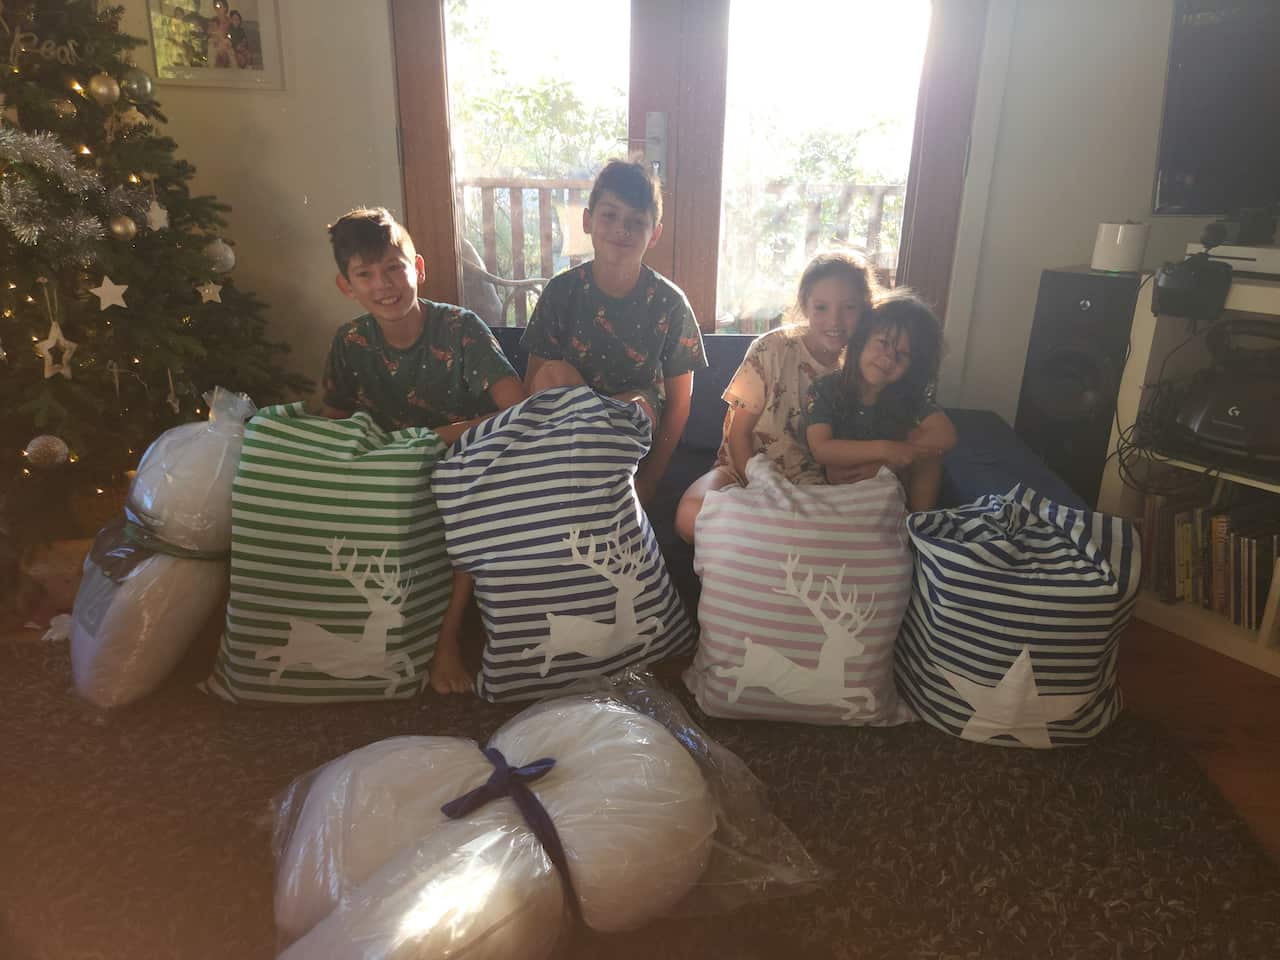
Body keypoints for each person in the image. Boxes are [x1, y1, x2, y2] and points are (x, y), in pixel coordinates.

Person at [320, 206, 526, 695]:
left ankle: (445, 641)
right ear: (346, 286)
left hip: (463, 463)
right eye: (365, 274)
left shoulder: (461, 329)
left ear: (418, 267)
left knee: (467, 506)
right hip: (388, 469)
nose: (383, 285)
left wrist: (441, 438)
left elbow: (518, 411)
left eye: (394, 267)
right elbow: (334, 424)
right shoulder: (349, 342)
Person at [521, 159, 706, 506]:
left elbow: (680, 404)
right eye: (610, 215)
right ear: (587, 220)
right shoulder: (561, 292)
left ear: (655, 234)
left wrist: (649, 482)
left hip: (632, 433)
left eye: (637, 222)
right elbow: (533, 389)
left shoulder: (671, 304)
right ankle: (562, 485)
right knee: (551, 374)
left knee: (637, 406)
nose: (622, 229)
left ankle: (606, 490)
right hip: (568, 430)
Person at [673, 250, 879, 543]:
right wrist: (760, 483)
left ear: (865, 307)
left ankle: (777, 537)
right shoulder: (771, 348)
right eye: (821, 307)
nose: (834, 321)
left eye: (848, 307)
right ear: (804, 305)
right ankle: (778, 535)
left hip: (819, 488)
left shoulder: (870, 362)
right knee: (689, 517)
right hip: (744, 473)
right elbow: (738, 434)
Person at [805, 290, 957, 512]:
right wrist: (886, 450)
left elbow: (946, 435)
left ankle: (918, 523)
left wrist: (888, 464)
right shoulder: (826, 388)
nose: (889, 357)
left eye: (903, 354)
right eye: (883, 343)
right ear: (862, 340)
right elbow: (822, 449)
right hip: (840, 490)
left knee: (931, 457)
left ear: (913, 366)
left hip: (891, 491)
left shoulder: (908, 396)